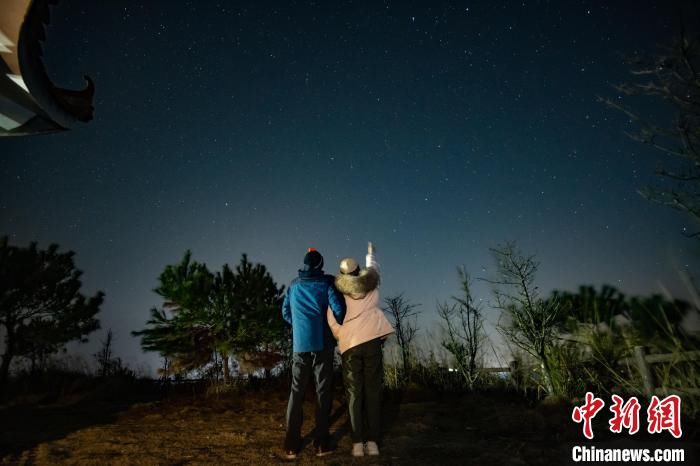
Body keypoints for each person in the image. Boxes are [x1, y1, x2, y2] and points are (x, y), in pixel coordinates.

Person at [327, 241, 394, 457]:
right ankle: (373, 442)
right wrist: (370, 254)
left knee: (354, 394)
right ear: (358, 272)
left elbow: (331, 318)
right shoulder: (371, 285)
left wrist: (341, 334)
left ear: (342, 274)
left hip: (350, 345)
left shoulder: (338, 292)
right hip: (372, 341)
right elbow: (375, 269)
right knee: (373, 392)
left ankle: (357, 443)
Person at [282, 248, 346, 459]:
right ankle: (321, 443)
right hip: (322, 344)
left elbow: (285, 312)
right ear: (319, 265)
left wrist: (299, 327)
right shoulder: (325, 284)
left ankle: (291, 444)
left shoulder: (293, 286)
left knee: (296, 392)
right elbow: (339, 310)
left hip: (300, 345)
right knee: (322, 392)